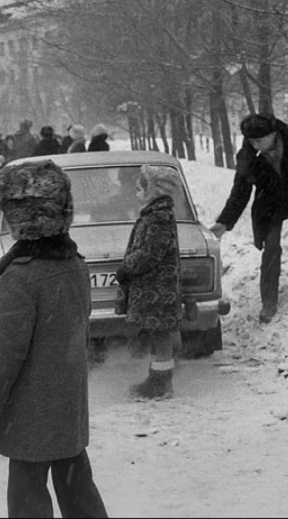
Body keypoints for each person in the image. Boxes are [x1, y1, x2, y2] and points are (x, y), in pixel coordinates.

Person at [0, 159, 107, 519]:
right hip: (67, 404)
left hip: (29, 414)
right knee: (78, 491)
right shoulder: (74, 262)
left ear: (17, 217)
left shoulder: (22, 276)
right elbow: (82, 329)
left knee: (28, 498)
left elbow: (5, 354)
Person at [210, 112, 288, 323]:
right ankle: (269, 301)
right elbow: (240, 192)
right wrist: (225, 222)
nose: (255, 145)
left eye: (259, 140)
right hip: (269, 204)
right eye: (251, 141)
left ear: (273, 133)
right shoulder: (247, 156)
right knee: (271, 248)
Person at [115, 165, 183, 400]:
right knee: (157, 333)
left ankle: (162, 384)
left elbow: (150, 253)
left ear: (153, 191)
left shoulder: (158, 218)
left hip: (158, 289)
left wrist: (127, 266)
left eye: (139, 189)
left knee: (161, 335)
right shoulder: (155, 215)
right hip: (154, 288)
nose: (136, 193)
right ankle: (156, 378)